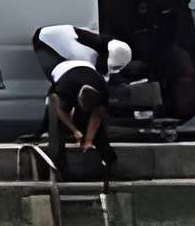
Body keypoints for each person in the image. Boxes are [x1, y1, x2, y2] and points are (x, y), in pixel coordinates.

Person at [35, 21, 128, 179]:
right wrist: (75, 130)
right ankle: (60, 168)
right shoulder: (64, 87)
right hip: (61, 65)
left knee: (94, 127)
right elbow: (59, 110)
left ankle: (111, 163)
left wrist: (89, 140)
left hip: (85, 71)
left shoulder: (102, 88)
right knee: (56, 125)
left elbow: (97, 115)